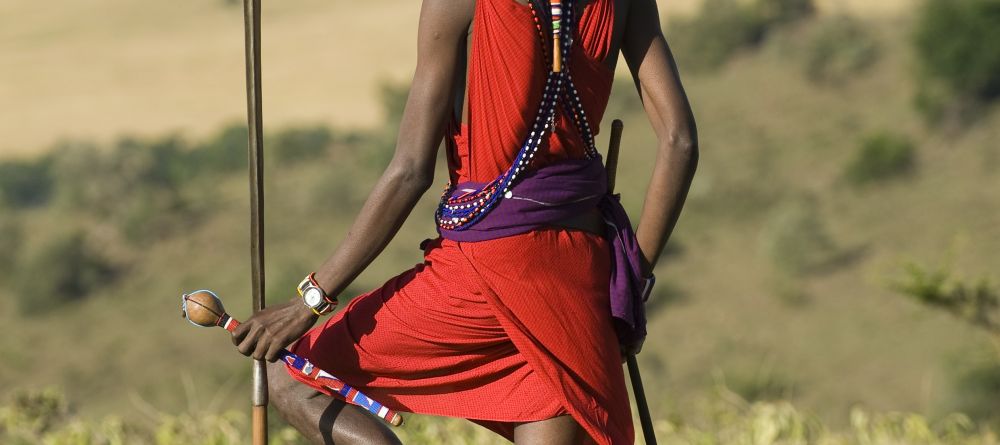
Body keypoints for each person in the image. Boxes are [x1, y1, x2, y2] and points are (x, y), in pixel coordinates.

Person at [231, 0, 697, 443]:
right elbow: (679, 142)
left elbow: (410, 171)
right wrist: (631, 287)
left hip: (485, 271)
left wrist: (311, 300)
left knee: (293, 380)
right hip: (581, 277)